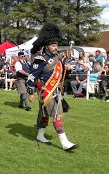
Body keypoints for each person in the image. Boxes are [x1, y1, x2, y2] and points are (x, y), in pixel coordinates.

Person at [27, 22, 78, 151]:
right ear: (46, 45)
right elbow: (32, 76)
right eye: (53, 45)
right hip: (46, 91)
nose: (56, 47)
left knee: (45, 115)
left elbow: (60, 73)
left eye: (56, 45)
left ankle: (40, 135)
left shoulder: (57, 57)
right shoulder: (40, 59)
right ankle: (65, 143)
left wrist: (67, 68)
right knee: (56, 116)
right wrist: (30, 92)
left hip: (55, 89)